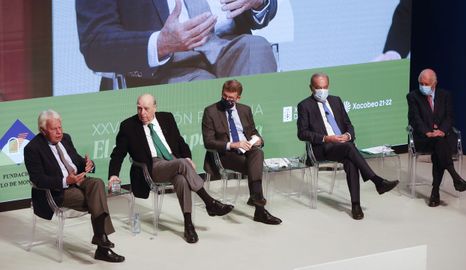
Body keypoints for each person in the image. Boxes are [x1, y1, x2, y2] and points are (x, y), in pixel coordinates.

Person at [109, 94, 233, 243]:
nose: (142, 113)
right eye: (139, 108)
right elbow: (118, 154)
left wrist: (187, 157)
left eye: (146, 109)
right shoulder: (128, 126)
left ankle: (188, 226)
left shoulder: (167, 118)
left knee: (181, 179)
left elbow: (180, 141)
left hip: (173, 162)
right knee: (181, 164)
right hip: (152, 167)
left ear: (155, 107)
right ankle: (210, 202)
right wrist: (113, 175)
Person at [76, 0, 278, 90]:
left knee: (257, 49)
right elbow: (95, 42)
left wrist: (259, 2)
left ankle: (257, 147)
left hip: (225, 45)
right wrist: (160, 44)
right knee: (201, 87)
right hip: (167, 66)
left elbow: (265, 7)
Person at [23, 110, 125, 263]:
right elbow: (38, 179)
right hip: (58, 191)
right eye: (54, 129)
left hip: (79, 180)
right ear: (43, 131)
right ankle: (102, 247)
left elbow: (76, 161)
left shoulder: (66, 138)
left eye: (60, 127)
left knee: (97, 183)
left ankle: (100, 237)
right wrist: (65, 181)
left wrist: (88, 164)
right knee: (97, 200)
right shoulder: (32, 148)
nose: (59, 132)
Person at [297, 73, 399, 220]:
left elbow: (348, 125)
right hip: (322, 148)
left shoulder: (336, 100)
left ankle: (356, 204)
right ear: (311, 88)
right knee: (350, 149)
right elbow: (302, 133)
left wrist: (348, 136)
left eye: (325, 87)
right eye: (318, 87)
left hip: (342, 146)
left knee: (351, 159)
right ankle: (377, 180)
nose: (322, 90)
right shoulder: (304, 105)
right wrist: (326, 138)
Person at [202, 79, 282, 225]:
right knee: (254, 166)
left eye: (231, 98)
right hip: (225, 154)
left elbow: (253, 131)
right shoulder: (211, 111)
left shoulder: (245, 110)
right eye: (224, 96)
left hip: (246, 149)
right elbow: (208, 142)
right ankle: (259, 208)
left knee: (258, 152)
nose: (226, 99)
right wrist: (233, 144)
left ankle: (256, 198)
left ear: (238, 98)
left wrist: (258, 140)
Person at [407, 68, 466, 207]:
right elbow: (415, 119)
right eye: (421, 83)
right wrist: (427, 132)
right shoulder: (413, 97)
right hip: (424, 139)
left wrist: (441, 130)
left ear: (434, 83)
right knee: (440, 146)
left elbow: (449, 117)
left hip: (443, 137)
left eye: (426, 83)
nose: (423, 86)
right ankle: (455, 178)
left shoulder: (445, 95)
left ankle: (435, 191)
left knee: (439, 147)